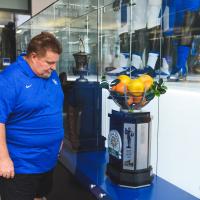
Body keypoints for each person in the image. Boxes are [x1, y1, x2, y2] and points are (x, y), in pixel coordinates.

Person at [0, 32, 64, 200]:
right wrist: (3, 159)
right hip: (22, 165)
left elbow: (54, 106)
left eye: (55, 62)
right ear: (34, 56)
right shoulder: (9, 79)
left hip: (47, 160)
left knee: (40, 195)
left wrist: (59, 136)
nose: (54, 67)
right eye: (50, 62)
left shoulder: (50, 74)